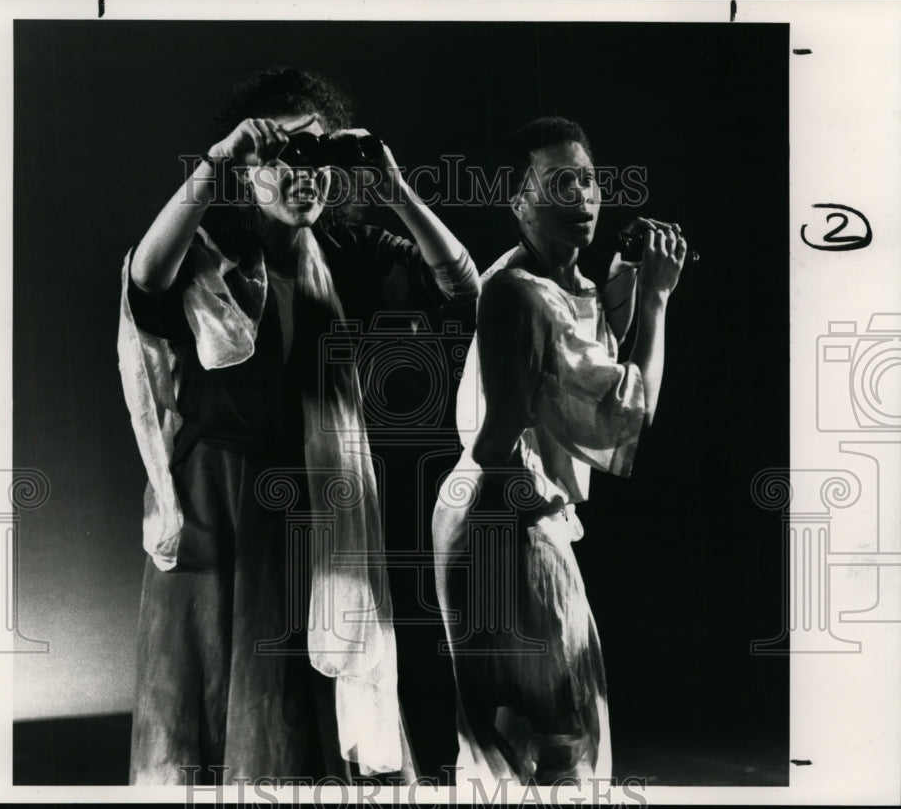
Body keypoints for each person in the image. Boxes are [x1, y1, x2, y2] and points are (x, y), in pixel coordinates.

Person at [117, 68, 479, 784]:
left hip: (317, 508)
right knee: (210, 696)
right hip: (220, 507)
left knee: (309, 701)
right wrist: (217, 162)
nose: (301, 177)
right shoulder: (207, 251)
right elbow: (144, 281)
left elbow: (464, 291)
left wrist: (393, 187)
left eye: (316, 159)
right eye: (280, 158)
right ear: (247, 172)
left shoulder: (349, 253)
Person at [432, 116, 687, 785]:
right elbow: (623, 408)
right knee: (549, 723)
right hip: (501, 515)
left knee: (541, 725)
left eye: (588, 179)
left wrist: (628, 282)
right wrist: (656, 303)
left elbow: (578, 366)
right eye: (559, 183)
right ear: (519, 203)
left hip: (513, 508)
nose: (582, 197)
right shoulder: (514, 292)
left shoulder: (562, 284)